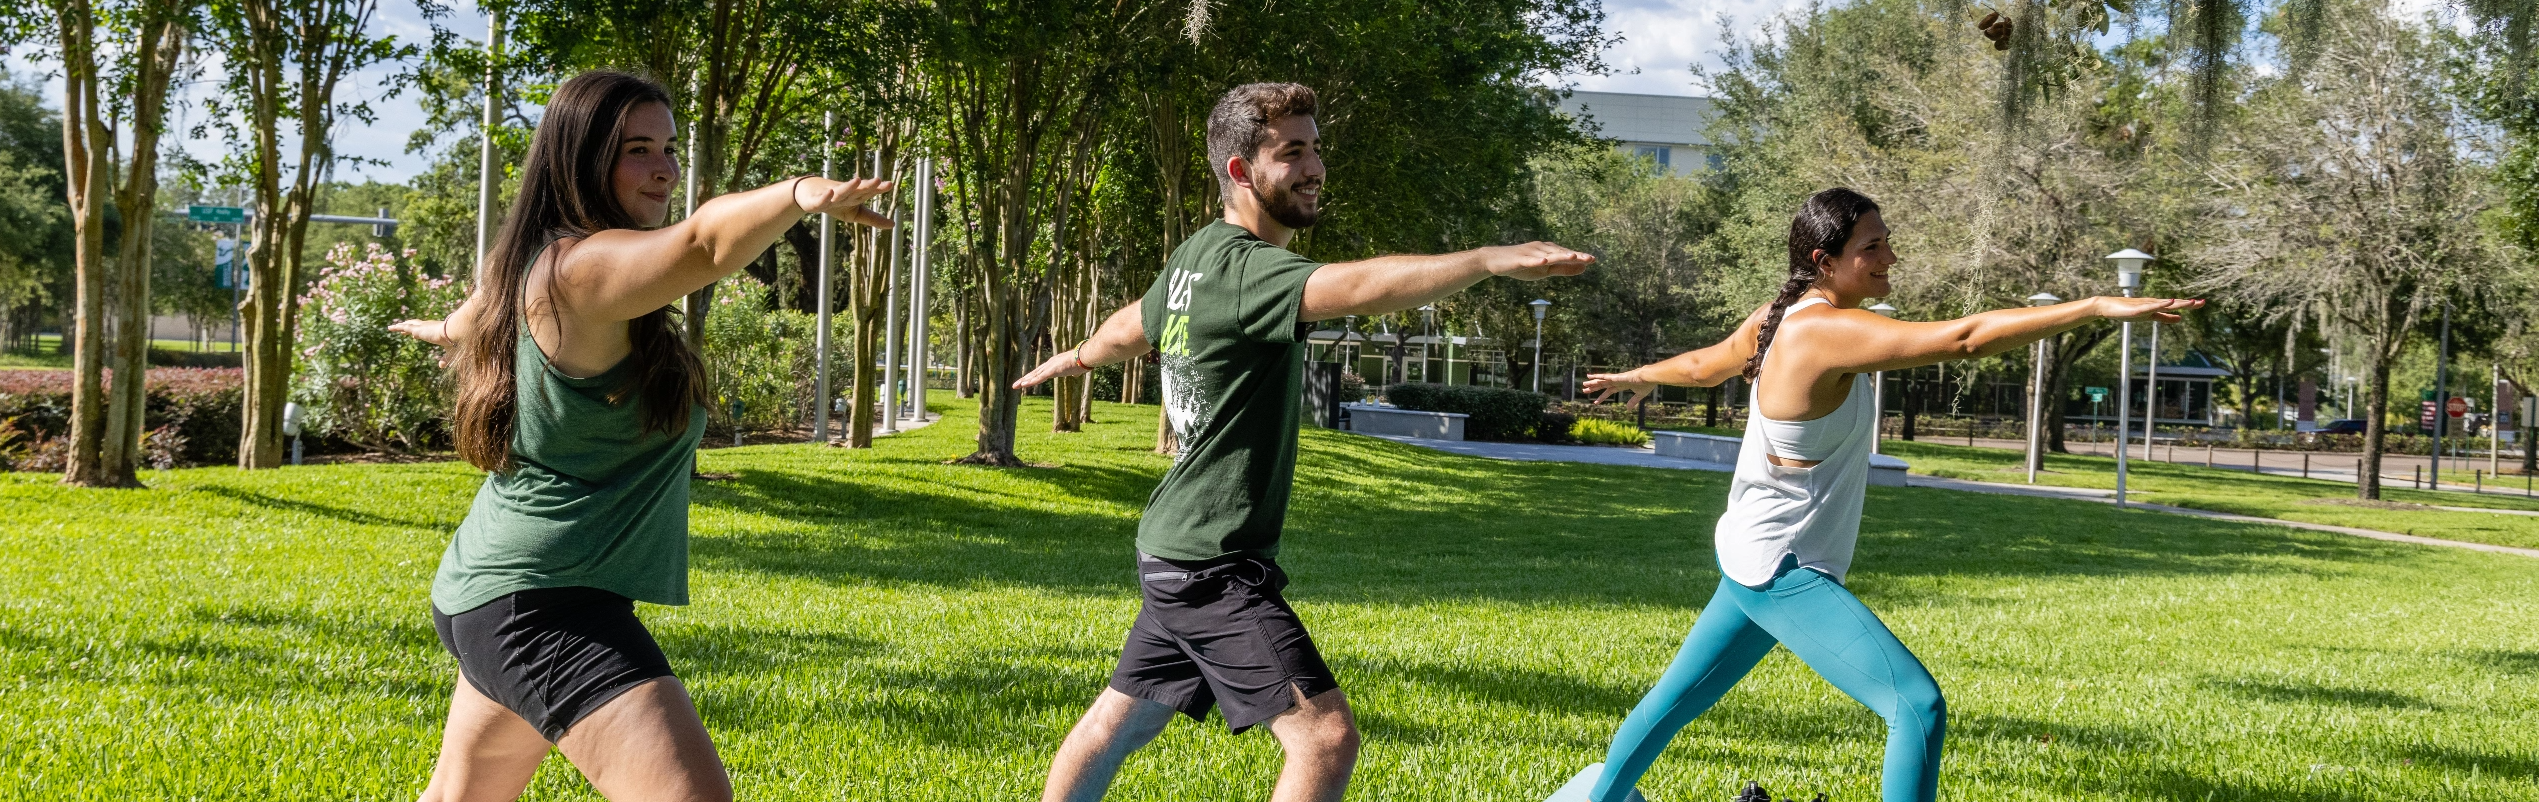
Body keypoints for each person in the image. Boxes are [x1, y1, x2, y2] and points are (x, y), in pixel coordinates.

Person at [1010, 82, 1595, 802]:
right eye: (1292, 153)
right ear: (1239, 171)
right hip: (1210, 565)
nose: (1315, 167)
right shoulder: (1249, 270)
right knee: (1324, 739)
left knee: (1116, 724)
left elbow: (1136, 321)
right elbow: (1358, 287)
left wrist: (1075, 357)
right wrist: (1483, 260)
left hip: (1175, 550)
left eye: (1316, 148)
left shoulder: (1198, 258)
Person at [1547, 187, 2200, 802]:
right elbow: (1964, 338)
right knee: (1916, 706)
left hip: (1755, 552)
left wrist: (1634, 376)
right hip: (1783, 568)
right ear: (1823, 262)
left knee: (1670, 704)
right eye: (1872, 248)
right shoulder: (1820, 331)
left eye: (1887, 242)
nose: (1890, 257)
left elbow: (1704, 365)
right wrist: (2090, 307)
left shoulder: (1782, 319)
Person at [385, 70, 893, 802]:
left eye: (669, 148)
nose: (664, 168)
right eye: (637, 150)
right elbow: (704, 244)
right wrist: (795, 194)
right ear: (582, 160)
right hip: (543, 604)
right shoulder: (580, 271)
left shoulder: (543, 261)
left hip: (499, 590)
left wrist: (440, 329)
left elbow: (475, 314)